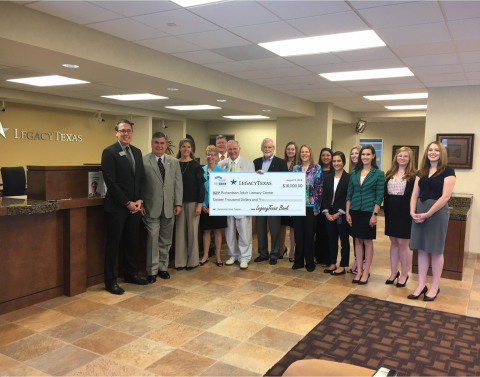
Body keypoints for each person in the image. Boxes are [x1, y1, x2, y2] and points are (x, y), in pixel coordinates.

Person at [101, 119, 147, 295]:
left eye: (129, 131)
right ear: (116, 133)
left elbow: (141, 178)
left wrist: (139, 200)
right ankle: (110, 281)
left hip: (135, 207)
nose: (126, 134)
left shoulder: (136, 152)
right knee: (113, 245)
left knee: (132, 242)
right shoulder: (109, 152)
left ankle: (130, 274)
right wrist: (127, 202)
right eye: (123, 131)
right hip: (117, 208)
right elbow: (110, 181)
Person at [408, 141, 455, 301]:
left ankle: (435, 286)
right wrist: (412, 212)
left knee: (435, 250)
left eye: (436, 150)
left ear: (441, 153)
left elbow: (446, 196)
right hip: (419, 212)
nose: (433, 152)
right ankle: (421, 285)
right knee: (421, 249)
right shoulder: (421, 171)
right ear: (426, 153)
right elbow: (415, 194)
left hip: (436, 213)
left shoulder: (448, 171)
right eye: (430, 150)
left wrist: (428, 214)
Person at [142, 132, 183, 283]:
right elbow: (141, 183)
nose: (159, 146)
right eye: (156, 143)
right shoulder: (144, 160)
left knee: (166, 240)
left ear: (166, 145)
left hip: (169, 208)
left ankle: (162, 268)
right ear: (152, 144)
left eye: (162, 143)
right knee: (153, 239)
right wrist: (141, 202)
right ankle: (151, 270)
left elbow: (178, 184)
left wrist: (178, 203)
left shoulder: (174, 162)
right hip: (151, 208)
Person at [346, 145, 384, 285]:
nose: (365, 157)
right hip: (355, 210)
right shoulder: (355, 173)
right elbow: (349, 194)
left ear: (373, 156)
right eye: (363, 154)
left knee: (367, 242)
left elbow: (379, 196)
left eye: (368, 154)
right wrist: (348, 212)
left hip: (369, 211)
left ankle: (366, 271)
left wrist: (375, 214)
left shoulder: (379, 174)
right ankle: (359, 270)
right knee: (357, 241)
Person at [218, 139, 255, 269]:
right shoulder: (221, 164)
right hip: (228, 203)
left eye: (234, 149)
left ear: (239, 149)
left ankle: (244, 257)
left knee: (244, 230)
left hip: (242, 203)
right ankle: (233, 255)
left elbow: (252, 184)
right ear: (227, 150)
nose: (232, 151)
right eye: (230, 149)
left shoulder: (248, 164)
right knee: (229, 231)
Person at [384, 147, 416, 287]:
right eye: (400, 155)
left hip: (405, 211)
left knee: (403, 243)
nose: (402, 158)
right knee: (393, 242)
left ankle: (404, 274)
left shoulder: (414, 175)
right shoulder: (390, 173)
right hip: (391, 210)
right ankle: (393, 272)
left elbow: (414, 195)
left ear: (410, 159)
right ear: (395, 157)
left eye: (405, 156)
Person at [253, 138, 288, 265]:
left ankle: (274, 254)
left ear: (273, 148)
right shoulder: (256, 162)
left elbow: (284, 181)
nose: (267, 149)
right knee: (260, 229)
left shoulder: (281, 162)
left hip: (274, 201)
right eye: (265, 147)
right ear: (261, 148)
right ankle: (263, 253)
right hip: (260, 200)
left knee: (274, 229)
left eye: (269, 147)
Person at [175, 138, 205, 270]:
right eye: (183, 146)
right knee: (180, 233)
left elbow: (201, 187)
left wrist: (199, 204)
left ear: (191, 149)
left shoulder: (196, 166)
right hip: (178, 203)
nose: (186, 149)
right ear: (180, 148)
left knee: (192, 232)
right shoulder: (174, 164)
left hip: (193, 203)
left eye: (188, 147)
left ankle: (192, 261)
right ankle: (180, 262)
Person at [292, 145, 322, 272]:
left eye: (306, 152)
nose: (304, 154)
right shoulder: (295, 168)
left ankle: (309, 262)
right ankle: (298, 261)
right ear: (299, 154)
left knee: (309, 235)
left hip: (311, 206)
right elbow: (290, 187)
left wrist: (317, 207)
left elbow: (319, 188)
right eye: (302, 152)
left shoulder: (316, 168)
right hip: (297, 206)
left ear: (310, 154)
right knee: (298, 235)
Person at [321, 151, 350, 275]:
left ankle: (342, 265)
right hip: (329, 213)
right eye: (334, 161)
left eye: (339, 161)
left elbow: (348, 197)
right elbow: (325, 196)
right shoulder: (328, 178)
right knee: (331, 239)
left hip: (341, 214)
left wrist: (339, 213)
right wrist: (326, 212)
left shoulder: (348, 178)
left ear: (343, 162)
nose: (336, 163)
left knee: (344, 241)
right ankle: (332, 263)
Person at [200, 145, 227, 267]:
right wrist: (203, 205)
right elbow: (199, 189)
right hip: (205, 206)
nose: (210, 157)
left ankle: (218, 256)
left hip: (217, 205)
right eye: (208, 154)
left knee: (217, 231)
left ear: (216, 157)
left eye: (212, 155)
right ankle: (205, 256)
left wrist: (215, 204)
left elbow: (223, 190)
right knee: (206, 231)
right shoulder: (201, 170)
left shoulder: (222, 172)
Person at [315, 147, 333, 266]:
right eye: (323, 155)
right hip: (318, 206)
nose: (325, 157)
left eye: (328, 155)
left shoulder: (335, 170)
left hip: (330, 206)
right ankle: (318, 257)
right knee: (319, 232)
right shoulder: (316, 170)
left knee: (329, 233)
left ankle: (328, 259)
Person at [280, 141, 298, 262]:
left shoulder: (298, 164)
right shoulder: (281, 163)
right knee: (281, 225)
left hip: (294, 199)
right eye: (288, 149)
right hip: (281, 198)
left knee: (292, 227)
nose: (290, 151)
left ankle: (292, 249)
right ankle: (281, 247)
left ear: (295, 151)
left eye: (292, 149)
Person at [347, 145, 363, 274]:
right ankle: (357, 261)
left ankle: (361, 264)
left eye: (357, 153)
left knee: (362, 238)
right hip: (352, 208)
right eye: (352, 153)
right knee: (355, 237)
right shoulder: (352, 171)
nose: (354, 156)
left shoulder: (367, 171)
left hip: (364, 209)